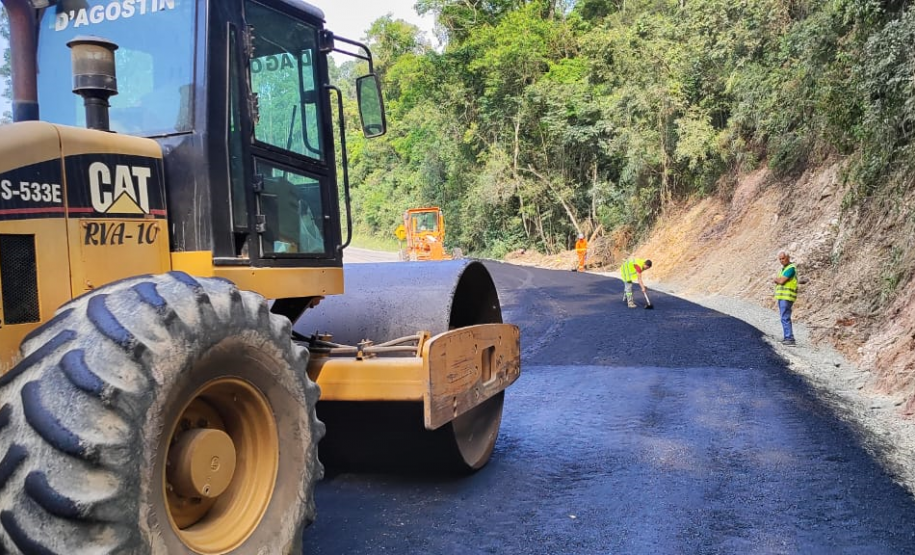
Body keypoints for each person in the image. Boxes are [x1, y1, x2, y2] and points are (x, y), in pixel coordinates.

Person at [773, 251, 798, 346]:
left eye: (783, 258)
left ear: (788, 258)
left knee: (785, 317)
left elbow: (781, 281)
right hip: (783, 297)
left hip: (786, 297)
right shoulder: (784, 269)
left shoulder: (790, 268)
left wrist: (775, 279)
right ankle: (787, 337)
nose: (781, 261)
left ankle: (789, 338)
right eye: (780, 259)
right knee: (784, 317)